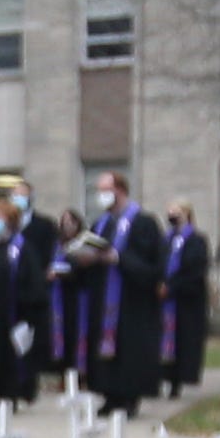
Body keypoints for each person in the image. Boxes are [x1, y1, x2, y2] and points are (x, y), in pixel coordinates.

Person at [58, 169, 167, 414]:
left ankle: (129, 399)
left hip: (132, 302)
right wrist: (83, 260)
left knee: (128, 349)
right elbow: (94, 252)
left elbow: (153, 267)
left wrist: (118, 258)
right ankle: (110, 395)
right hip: (103, 296)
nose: (101, 196)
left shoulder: (143, 222)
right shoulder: (101, 224)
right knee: (104, 348)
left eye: (105, 190)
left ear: (120, 190)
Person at [0, 184, 58, 406]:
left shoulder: (23, 250)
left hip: (12, 317)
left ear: (11, 222)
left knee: (10, 360)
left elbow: (34, 285)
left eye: (0, 217)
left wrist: (28, 315)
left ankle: (10, 397)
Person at [157, 194, 212, 391]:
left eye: (175, 212)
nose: (171, 215)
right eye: (169, 212)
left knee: (182, 343)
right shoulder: (166, 240)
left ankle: (176, 382)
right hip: (164, 302)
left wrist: (172, 287)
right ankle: (164, 377)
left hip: (185, 301)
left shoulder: (196, 240)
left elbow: (195, 270)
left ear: (186, 213)